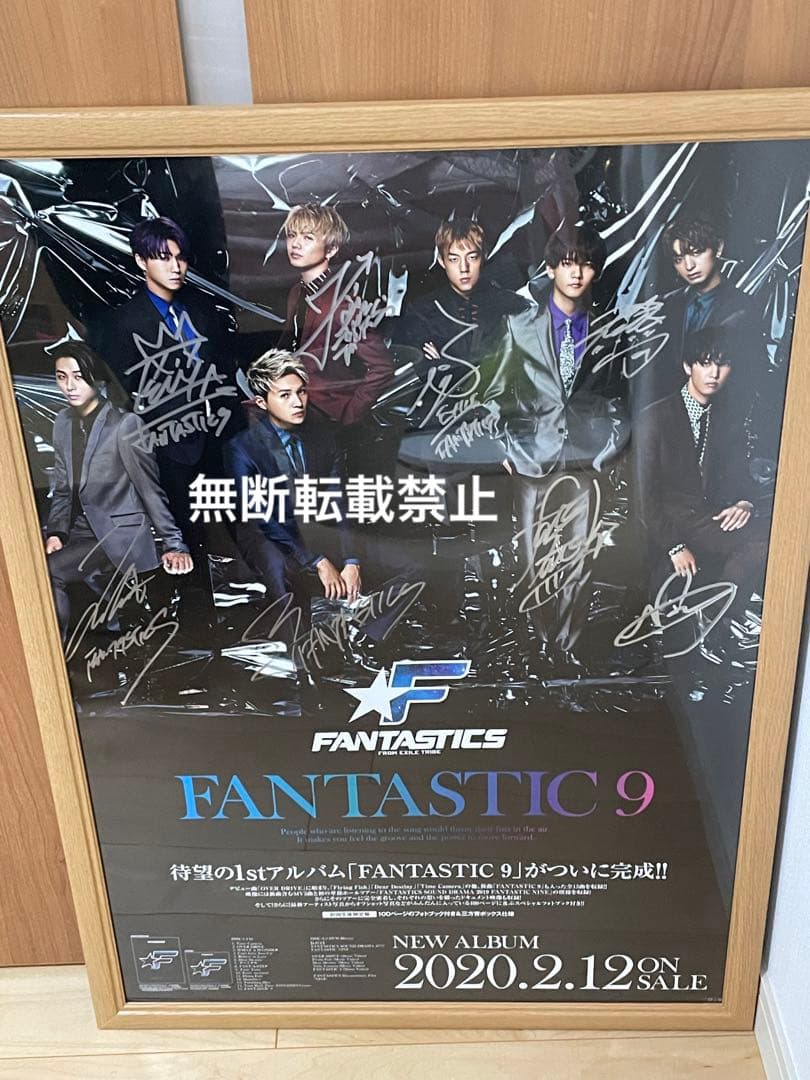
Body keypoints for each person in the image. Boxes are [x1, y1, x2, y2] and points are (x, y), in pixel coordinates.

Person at [484, 224, 628, 673]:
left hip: (587, 462)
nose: (576, 273)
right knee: (533, 560)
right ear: (550, 269)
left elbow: (618, 398)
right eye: (567, 263)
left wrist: (607, 452)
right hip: (532, 459)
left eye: (585, 264)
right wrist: (504, 447)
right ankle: (539, 647)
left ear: (596, 271)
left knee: (579, 561)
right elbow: (494, 394)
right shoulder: (518, 327)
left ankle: (567, 651)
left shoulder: (611, 329)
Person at [223, 350, 414, 667]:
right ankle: (302, 664)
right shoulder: (242, 447)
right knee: (281, 572)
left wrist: (351, 560)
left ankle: (364, 635)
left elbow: (339, 500)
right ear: (261, 402)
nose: (298, 402)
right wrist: (317, 560)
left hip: (318, 526)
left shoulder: (323, 438)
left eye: (301, 392)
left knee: (412, 561)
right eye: (285, 395)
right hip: (269, 534)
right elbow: (264, 516)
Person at [87, 216, 242, 547]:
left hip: (220, 440)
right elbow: (122, 394)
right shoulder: (121, 323)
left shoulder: (203, 310)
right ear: (141, 261)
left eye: (180, 257)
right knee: (188, 544)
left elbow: (224, 368)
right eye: (163, 257)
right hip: (168, 450)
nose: (175, 267)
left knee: (242, 536)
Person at [44, 341, 192, 640]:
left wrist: (174, 543)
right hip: (81, 532)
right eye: (62, 377)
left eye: (78, 377)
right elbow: (62, 488)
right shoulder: (62, 423)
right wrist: (57, 532)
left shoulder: (125, 424)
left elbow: (149, 489)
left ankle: (56, 651)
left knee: (50, 572)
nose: (69, 386)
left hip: (120, 533)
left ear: (96, 378)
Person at [635, 327, 768, 627]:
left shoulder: (725, 417)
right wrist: (674, 547)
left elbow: (738, 475)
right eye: (705, 363)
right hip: (669, 521)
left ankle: (715, 616)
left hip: (708, 516)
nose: (714, 373)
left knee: (769, 538)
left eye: (723, 364)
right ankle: (718, 617)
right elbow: (643, 496)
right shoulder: (655, 417)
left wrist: (744, 503)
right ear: (688, 366)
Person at [279, 203, 394, 475]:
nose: (296, 244)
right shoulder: (297, 292)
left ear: (330, 250)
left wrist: (349, 412)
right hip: (295, 405)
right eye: (292, 235)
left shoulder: (342, 303)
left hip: (325, 416)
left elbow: (382, 366)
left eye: (308, 237)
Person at [636, 214, 753, 410]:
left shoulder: (743, 307)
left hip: (717, 414)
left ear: (718, 248)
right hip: (666, 412)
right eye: (679, 259)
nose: (688, 266)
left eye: (696, 252)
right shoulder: (666, 305)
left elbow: (745, 378)